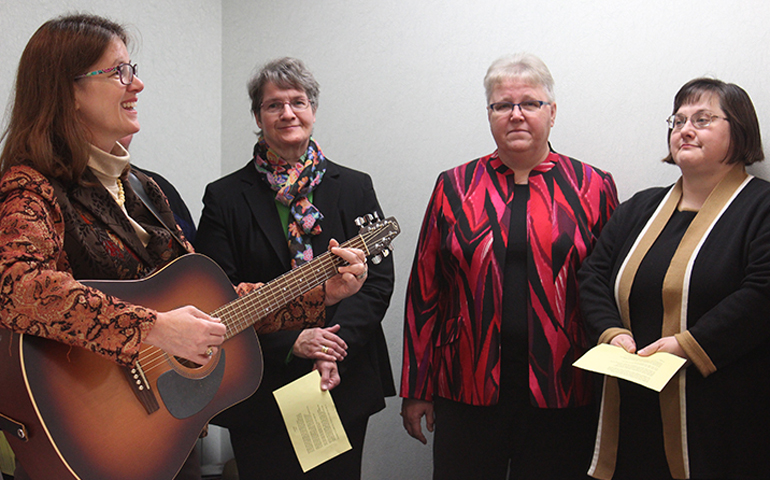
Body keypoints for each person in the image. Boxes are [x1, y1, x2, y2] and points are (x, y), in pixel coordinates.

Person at [0, 15, 368, 480]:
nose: (137, 84)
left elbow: (209, 308)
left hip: (162, 436)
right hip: (83, 441)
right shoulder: (30, 187)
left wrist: (321, 293)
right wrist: (153, 328)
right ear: (68, 88)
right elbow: (18, 288)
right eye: (119, 72)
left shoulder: (144, 190)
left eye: (131, 69)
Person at [400, 53, 618, 479]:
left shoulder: (592, 186)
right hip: (467, 386)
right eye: (503, 105)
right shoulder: (455, 186)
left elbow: (611, 286)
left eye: (530, 103)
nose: (516, 115)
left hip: (564, 388)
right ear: (490, 114)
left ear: (552, 113)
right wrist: (416, 387)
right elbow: (425, 292)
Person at [195, 57, 395, 479]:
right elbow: (216, 294)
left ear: (313, 110)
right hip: (260, 381)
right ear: (257, 116)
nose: (288, 113)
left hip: (341, 377)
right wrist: (292, 340)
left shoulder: (355, 186)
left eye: (298, 102)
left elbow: (376, 280)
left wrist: (332, 346)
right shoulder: (225, 196)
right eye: (273, 105)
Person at [578, 78, 770, 480]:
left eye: (702, 119)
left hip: (717, 411)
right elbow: (593, 275)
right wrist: (611, 332)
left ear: (741, 131)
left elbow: (762, 292)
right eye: (678, 119)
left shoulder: (761, 208)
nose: (684, 129)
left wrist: (687, 345)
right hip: (630, 408)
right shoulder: (639, 207)